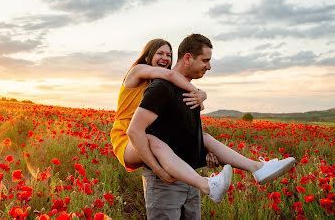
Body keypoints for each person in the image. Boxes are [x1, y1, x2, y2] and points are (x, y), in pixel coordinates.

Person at [115, 35, 295, 219]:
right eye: (205, 60)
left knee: (205, 137)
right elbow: (136, 131)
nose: (209, 66)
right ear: (187, 58)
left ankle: (257, 168)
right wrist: (200, 93)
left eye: (168, 54)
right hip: (149, 166)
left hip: (188, 175)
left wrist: (201, 153)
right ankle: (211, 184)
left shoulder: (177, 89)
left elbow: (175, 134)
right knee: (153, 140)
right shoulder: (156, 83)